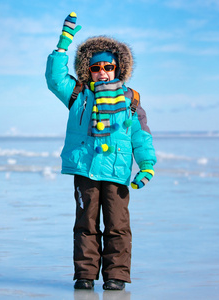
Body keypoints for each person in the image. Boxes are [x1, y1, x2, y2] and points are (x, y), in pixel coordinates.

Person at [45, 12, 157, 290]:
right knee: (86, 224)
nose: (102, 71)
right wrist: (63, 44)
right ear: (88, 70)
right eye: (96, 67)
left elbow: (141, 138)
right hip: (86, 169)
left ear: (118, 69)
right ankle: (85, 275)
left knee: (118, 225)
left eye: (109, 66)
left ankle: (116, 276)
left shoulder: (130, 100)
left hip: (117, 172)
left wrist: (147, 165)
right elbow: (54, 77)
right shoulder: (78, 94)